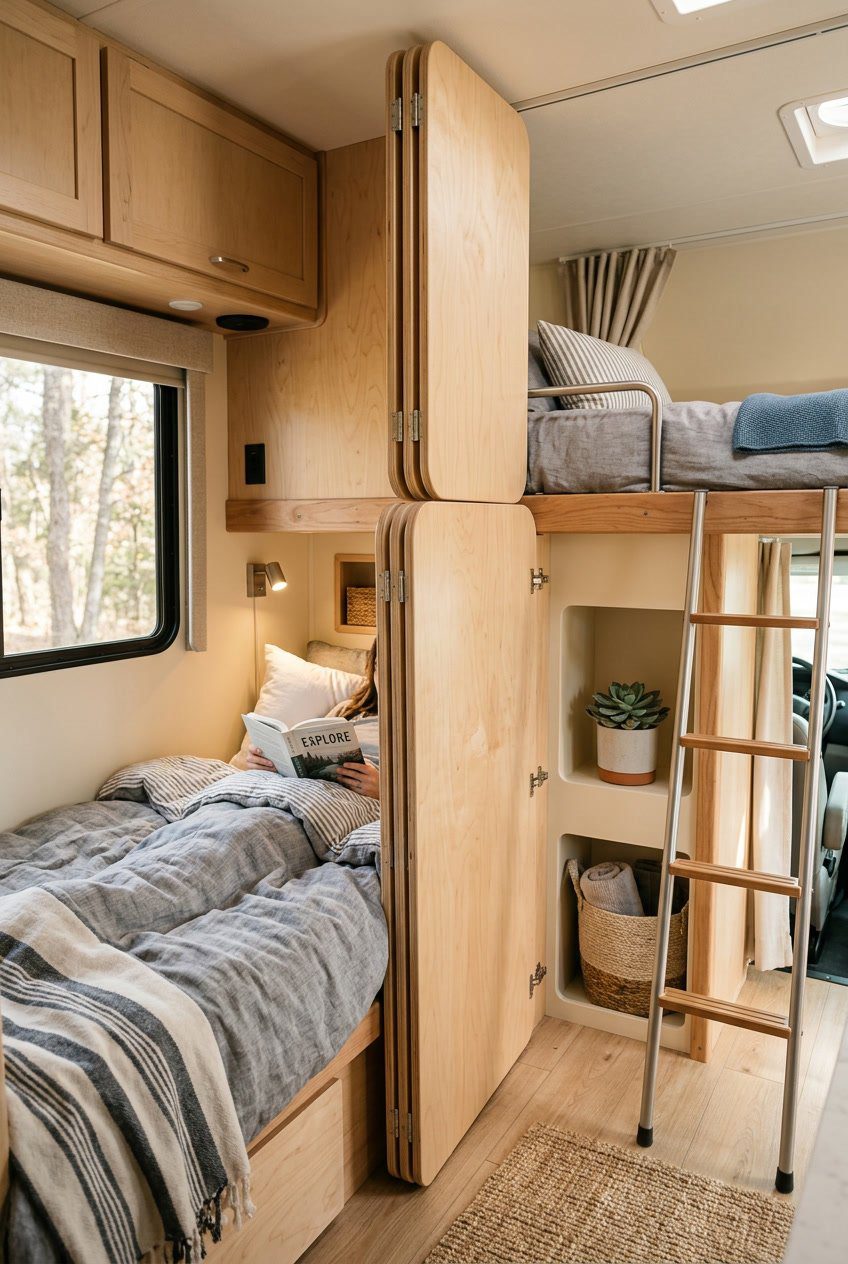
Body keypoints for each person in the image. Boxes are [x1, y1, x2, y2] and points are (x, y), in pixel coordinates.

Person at [246, 640, 380, 799]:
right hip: (296, 791)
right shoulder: (347, 710)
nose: (384, 677)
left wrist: (385, 791)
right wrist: (264, 762)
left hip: (346, 801)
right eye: (378, 666)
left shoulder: (416, 729)